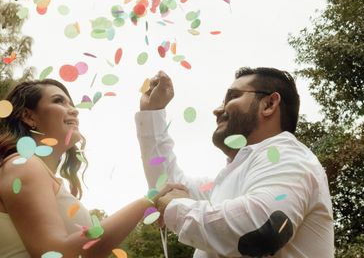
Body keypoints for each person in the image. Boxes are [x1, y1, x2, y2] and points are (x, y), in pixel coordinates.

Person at [136, 68, 334, 258]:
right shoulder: (226, 183)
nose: (217, 110)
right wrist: (152, 112)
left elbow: (263, 228)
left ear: (269, 105)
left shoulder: (290, 156)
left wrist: (175, 207)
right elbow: (166, 187)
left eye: (233, 97)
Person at [0, 78, 152, 258]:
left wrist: (152, 203)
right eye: (59, 101)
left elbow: (88, 252)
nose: (74, 111)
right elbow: (53, 254)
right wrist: (147, 203)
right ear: (29, 116)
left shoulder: (33, 170)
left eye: (71, 104)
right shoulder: (22, 166)